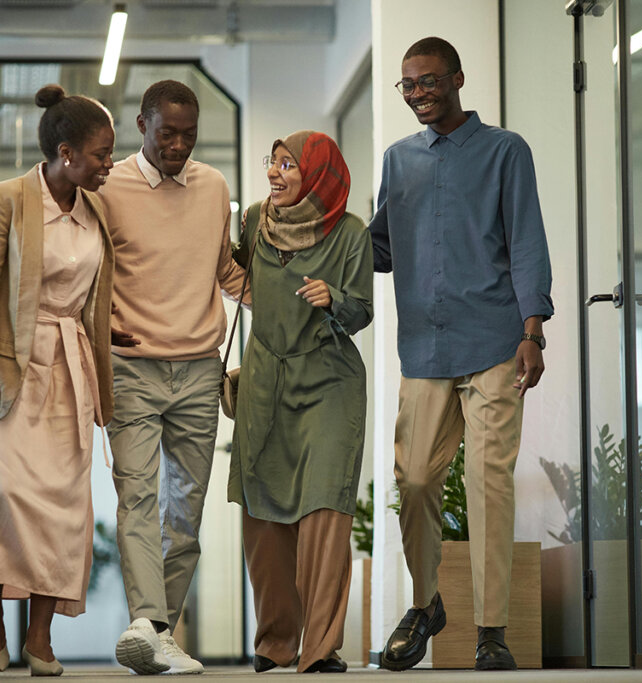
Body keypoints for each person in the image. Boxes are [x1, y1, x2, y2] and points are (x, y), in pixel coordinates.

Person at [370, 37, 553, 672]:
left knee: (487, 484)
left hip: (497, 341)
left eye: (427, 81)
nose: (417, 93)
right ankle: (426, 604)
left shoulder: (506, 151)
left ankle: (491, 631)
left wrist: (533, 330)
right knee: (415, 479)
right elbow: (378, 248)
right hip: (424, 344)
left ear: (456, 79)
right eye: (408, 85)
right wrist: (311, 234)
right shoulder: (399, 161)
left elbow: (527, 240)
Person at [0, 84, 116, 676]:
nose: (110, 163)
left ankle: (40, 636)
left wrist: (108, 338)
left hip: (69, 368)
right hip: (5, 372)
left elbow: (88, 299)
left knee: (62, 508)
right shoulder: (4, 199)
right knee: (2, 498)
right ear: (66, 153)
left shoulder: (94, 211)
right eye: (101, 154)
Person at [99, 80, 247, 676]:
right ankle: (150, 624)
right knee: (137, 496)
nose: (179, 145)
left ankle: (155, 633)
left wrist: (298, 307)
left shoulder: (213, 187)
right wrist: (98, 331)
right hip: (131, 369)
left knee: (185, 510)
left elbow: (225, 271)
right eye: (167, 134)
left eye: (189, 134)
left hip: (197, 371)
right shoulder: (107, 185)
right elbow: (88, 268)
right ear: (142, 125)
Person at [227, 131, 373, 675]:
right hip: (266, 379)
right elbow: (232, 275)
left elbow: (362, 311)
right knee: (262, 510)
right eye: (275, 162)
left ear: (318, 174)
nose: (275, 173)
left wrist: (334, 298)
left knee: (324, 508)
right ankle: (276, 643)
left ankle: (319, 649)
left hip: (328, 380)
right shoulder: (255, 223)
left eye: (289, 165)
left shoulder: (350, 231)